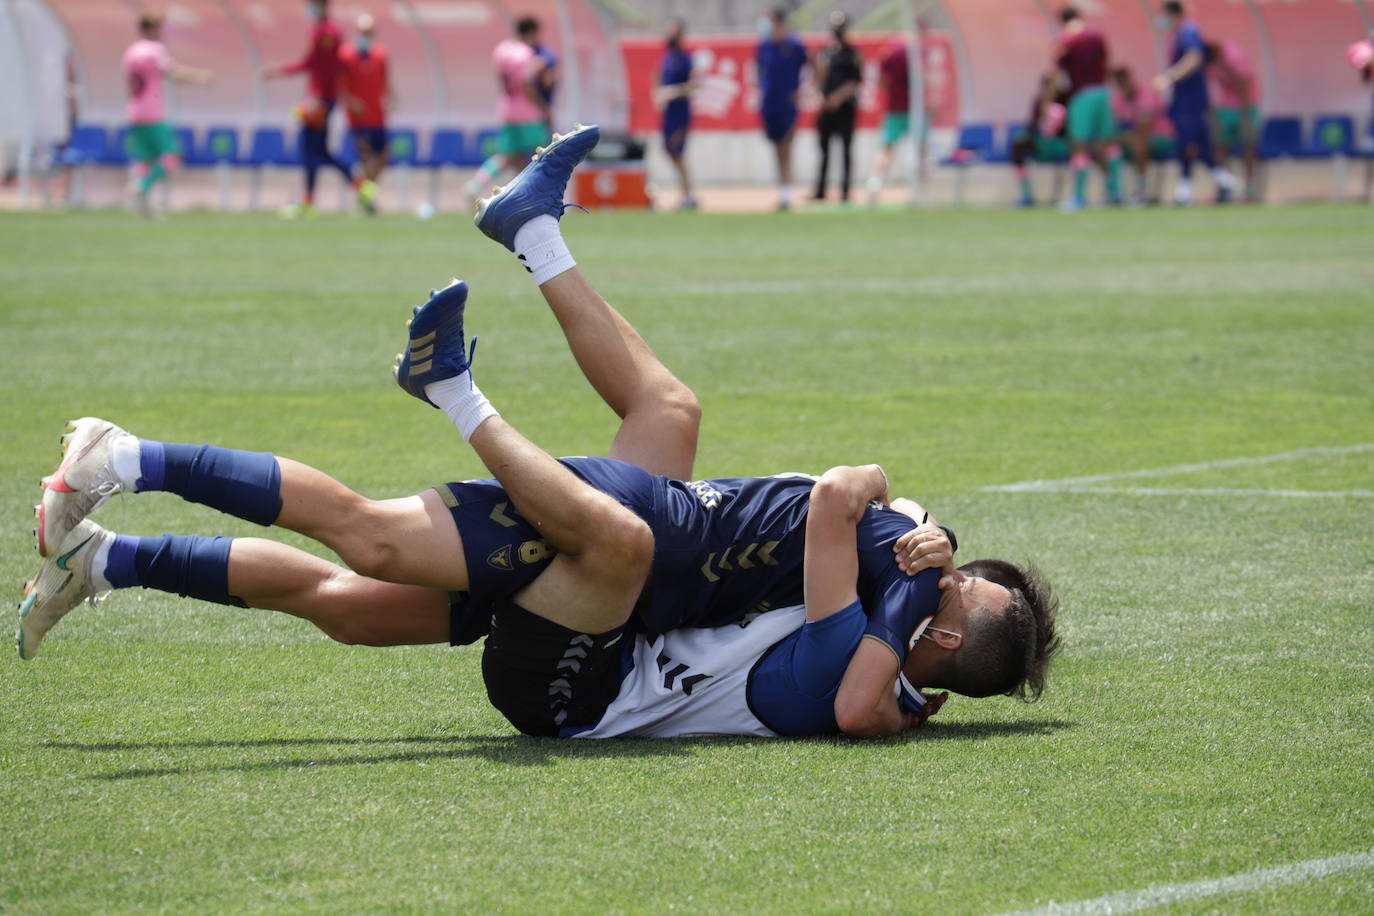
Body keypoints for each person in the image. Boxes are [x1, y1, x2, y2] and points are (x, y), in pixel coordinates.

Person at [22, 127, 1058, 736]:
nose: (946, 568)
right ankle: (107, 560)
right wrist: (923, 539)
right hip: (635, 603)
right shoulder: (893, 608)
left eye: (960, 587)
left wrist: (918, 557)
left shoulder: (871, 652)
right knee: (660, 421)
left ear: (946, 631)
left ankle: (140, 452)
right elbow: (875, 524)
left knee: (380, 544)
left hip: (601, 652)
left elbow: (847, 523)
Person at [264, 0, 367, 218]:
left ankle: (310, 202)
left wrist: (317, 96)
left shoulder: (326, 32)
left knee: (309, 151)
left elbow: (324, 68)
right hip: (321, 98)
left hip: (320, 100)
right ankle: (361, 187)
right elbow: (313, 64)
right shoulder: (324, 30)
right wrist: (280, 71)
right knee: (321, 152)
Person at [121, 12, 212, 217]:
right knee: (172, 155)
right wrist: (200, 77)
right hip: (152, 112)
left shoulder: (131, 52)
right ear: (151, 29)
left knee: (147, 159)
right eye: (158, 29)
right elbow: (173, 72)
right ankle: (141, 185)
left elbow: (130, 85)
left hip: (134, 111)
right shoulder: (154, 50)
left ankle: (144, 206)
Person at [1153, 1, 1236, 206]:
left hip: (1191, 99)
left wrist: (1170, 76)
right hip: (1184, 98)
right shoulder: (1176, 35)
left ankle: (1186, 188)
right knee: (1198, 143)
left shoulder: (1188, 31)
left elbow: (1194, 57)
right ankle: (1223, 179)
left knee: (1187, 142)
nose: (1162, 20)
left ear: (1173, 14)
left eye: (1164, 15)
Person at [465, 17, 552, 199]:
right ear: (531, 32)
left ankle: (478, 185)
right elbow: (526, 85)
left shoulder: (502, 50)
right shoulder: (525, 53)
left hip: (507, 109)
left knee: (513, 156)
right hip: (528, 113)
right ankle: (534, 195)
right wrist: (544, 108)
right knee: (542, 152)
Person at [1053, 6, 1122, 210]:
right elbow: (1107, 64)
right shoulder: (1097, 35)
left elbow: (1058, 72)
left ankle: (1079, 197)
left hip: (1081, 95)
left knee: (1079, 146)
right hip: (1103, 92)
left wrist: (1052, 99)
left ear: (1062, 20)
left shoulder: (1065, 39)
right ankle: (1115, 193)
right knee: (1109, 144)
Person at [338, 13, 393, 214]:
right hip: (358, 120)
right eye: (363, 31)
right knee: (368, 160)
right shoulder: (346, 55)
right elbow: (340, 85)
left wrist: (391, 97)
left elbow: (385, 80)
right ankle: (366, 197)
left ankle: (364, 194)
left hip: (378, 117)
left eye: (369, 32)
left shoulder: (380, 54)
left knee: (384, 157)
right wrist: (351, 102)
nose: (366, 35)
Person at [755, 8, 808, 210]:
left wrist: (802, 90)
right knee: (776, 147)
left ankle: (787, 193)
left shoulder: (793, 44)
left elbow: (810, 64)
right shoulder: (764, 45)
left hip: (787, 102)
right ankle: (782, 190)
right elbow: (760, 69)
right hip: (770, 103)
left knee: (786, 146)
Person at [865, 39, 928, 205]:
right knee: (920, 148)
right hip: (914, 110)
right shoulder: (917, 52)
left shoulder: (890, 53)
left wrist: (892, 89)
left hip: (896, 108)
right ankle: (920, 186)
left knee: (887, 148)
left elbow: (881, 79)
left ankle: (876, 182)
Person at [812, 11, 862, 203]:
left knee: (846, 150)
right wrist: (820, 97)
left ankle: (845, 191)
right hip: (826, 109)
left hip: (845, 108)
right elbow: (818, 78)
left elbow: (855, 81)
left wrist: (838, 98)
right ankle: (820, 190)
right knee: (823, 151)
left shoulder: (852, 53)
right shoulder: (825, 53)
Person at [1111, 66, 1174, 205]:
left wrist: (1127, 134)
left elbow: (1144, 124)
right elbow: (1117, 126)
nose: (1122, 85)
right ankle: (1114, 192)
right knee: (1108, 147)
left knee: (1138, 144)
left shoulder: (1146, 93)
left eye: (1123, 80)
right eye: (1118, 82)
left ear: (1130, 79)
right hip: (1132, 137)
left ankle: (1142, 189)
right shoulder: (1118, 98)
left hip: (1161, 136)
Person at [1205, 39, 1260, 202]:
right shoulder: (1207, 61)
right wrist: (1214, 117)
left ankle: (1250, 188)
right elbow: (1207, 90)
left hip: (1247, 105)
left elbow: (1243, 84)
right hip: (1226, 107)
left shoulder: (1233, 55)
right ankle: (1225, 186)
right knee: (1219, 146)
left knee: (1248, 146)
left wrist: (1245, 117)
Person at [1009, 71, 1070, 208]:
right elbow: (1031, 127)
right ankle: (1026, 194)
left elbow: (1068, 128)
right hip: (1040, 143)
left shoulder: (1065, 100)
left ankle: (1073, 195)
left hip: (1060, 144)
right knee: (1018, 143)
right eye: (1048, 85)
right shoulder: (1038, 102)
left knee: (1078, 150)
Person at [655, 17, 696, 211]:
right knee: (669, 149)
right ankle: (685, 192)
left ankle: (688, 194)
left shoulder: (684, 59)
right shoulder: (668, 57)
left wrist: (674, 91)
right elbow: (658, 78)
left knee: (678, 151)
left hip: (680, 112)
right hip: (669, 113)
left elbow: (694, 84)